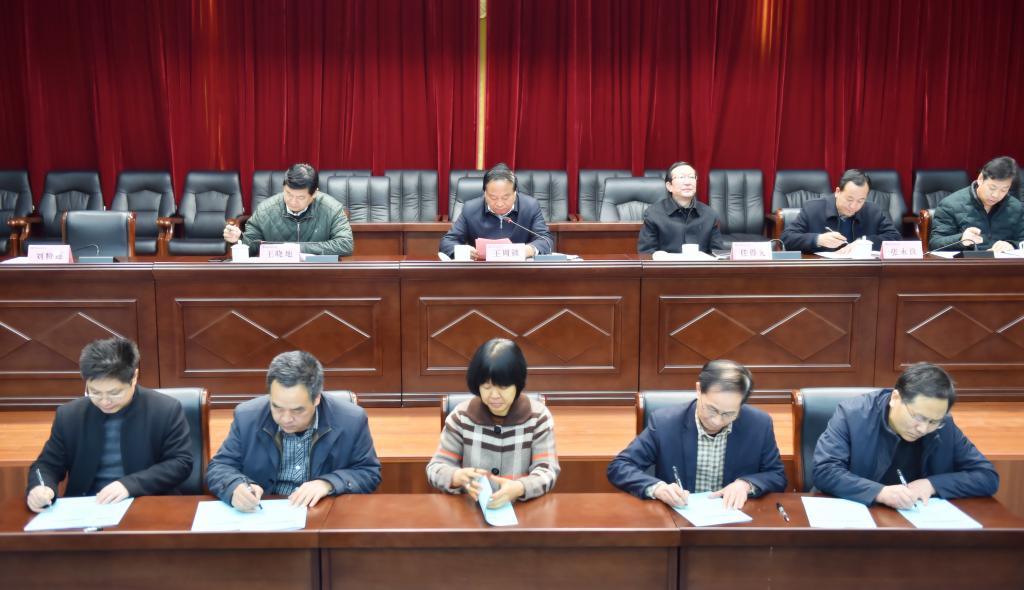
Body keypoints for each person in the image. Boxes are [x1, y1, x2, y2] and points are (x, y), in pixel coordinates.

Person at [26, 338, 192, 512]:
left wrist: (130, 485)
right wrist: (40, 488)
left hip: (147, 504)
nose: (105, 401)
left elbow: (180, 463)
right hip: (86, 508)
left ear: (134, 377)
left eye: (114, 393)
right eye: (95, 392)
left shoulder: (165, 409)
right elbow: (47, 465)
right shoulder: (70, 415)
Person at [206, 351, 381, 510]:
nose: (286, 419)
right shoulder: (247, 416)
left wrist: (328, 483)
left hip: (321, 514)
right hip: (263, 513)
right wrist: (235, 486)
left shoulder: (351, 420)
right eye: (277, 407)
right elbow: (219, 467)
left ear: (317, 399)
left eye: (297, 410)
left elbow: (368, 473)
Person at [813, 362, 999, 508]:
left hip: (916, 521)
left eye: (933, 421)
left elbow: (987, 476)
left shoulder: (944, 426)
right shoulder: (853, 415)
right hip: (860, 514)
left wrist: (932, 484)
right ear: (895, 398)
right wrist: (879, 492)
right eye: (918, 417)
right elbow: (825, 470)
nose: (923, 429)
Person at [607, 360, 785, 510]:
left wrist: (746, 484)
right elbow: (619, 467)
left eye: (729, 414)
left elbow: (777, 475)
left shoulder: (758, 424)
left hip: (734, 519)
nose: (717, 421)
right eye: (712, 409)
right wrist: (657, 488)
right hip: (679, 519)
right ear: (699, 390)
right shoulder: (665, 423)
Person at [426, 339, 560, 508]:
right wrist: (456, 476)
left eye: (502, 387)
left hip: (521, 510)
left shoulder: (538, 418)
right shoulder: (461, 416)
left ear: (517, 384)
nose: (494, 395)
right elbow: (435, 468)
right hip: (472, 511)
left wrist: (520, 487)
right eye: (486, 387)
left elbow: (548, 471)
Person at [223, 163, 354, 256]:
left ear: (314, 194)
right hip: (276, 277)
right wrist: (239, 239)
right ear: (283, 187)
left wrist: (295, 249)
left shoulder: (332, 209)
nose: (292, 201)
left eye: (300, 197)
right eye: (288, 194)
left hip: (316, 275)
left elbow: (345, 244)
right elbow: (252, 246)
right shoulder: (265, 210)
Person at [439, 164, 553, 259]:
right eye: (493, 197)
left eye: (505, 197)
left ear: (515, 193)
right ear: (485, 193)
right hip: (481, 271)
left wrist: (528, 250)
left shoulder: (530, 206)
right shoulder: (470, 208)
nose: (499, 203)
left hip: (520, 271)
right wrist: (463, 251)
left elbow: (546, 240)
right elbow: (447, 242)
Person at [780, 168, 901, 253]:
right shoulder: (813, 209)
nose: (854, 206)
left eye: (860, 200)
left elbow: (895, 237)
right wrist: (817, 239)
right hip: (823, 271)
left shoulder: (872, 211)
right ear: (838, 192)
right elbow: (787, 238)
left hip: (862, 273)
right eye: (849, 199)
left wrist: (865, 243)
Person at [929, 156, 1023, 253]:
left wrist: (1012, 245)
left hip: (1004, 262)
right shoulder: (950, 205)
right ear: (980, 179)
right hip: (968, 262)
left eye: (1003, 190)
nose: (996, 195)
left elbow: (1022, 239)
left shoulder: (1016, 207)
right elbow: (935, 244)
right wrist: (961, 239)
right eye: (992, 188)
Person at [637, 161, 725, 255]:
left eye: (691, 177)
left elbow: (718, 253)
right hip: (666, 264)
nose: (687, 182)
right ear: (669, 186)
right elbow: (646, 253)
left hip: (700, 264)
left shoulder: (710, 214)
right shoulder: (654, 214)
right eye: (681, 177)